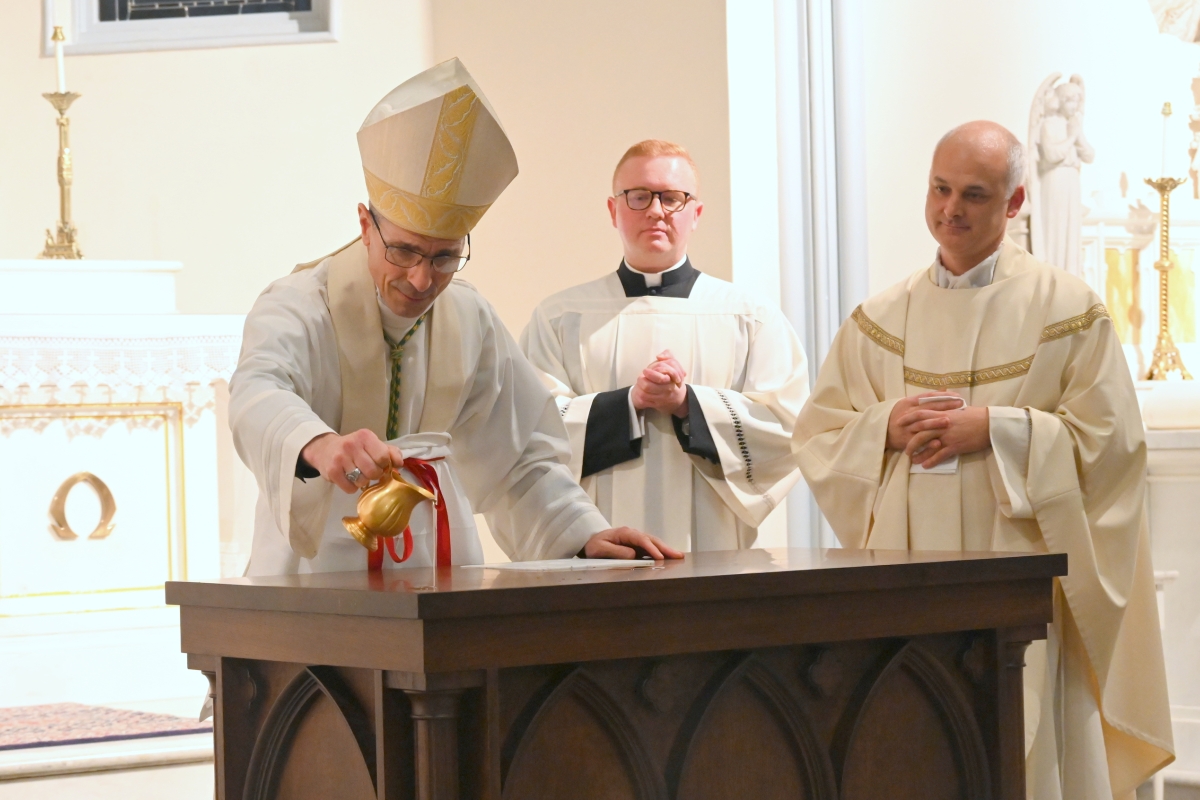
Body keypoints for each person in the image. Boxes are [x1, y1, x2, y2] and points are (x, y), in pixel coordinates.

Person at [793, 121, 1172, 799]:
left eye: (974, 194)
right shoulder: (879, 318)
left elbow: (1113, 446)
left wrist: (998, 429)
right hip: (908, 581)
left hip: (1021, 584)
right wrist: (884, 427)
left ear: (1015, 202)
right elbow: (819, 435)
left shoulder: (1067, 309)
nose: (951, 210)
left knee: (1024, 748)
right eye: (940, 190)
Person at [230, 59, 680, 574]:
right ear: (366, 225)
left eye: (444, 257)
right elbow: (257, 391)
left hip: (434, 560)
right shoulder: (301, 304)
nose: (422, 280)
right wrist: (319, 443)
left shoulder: (468, 316)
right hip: (315, 566)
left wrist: (583, 534)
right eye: (403, 251)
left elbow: (518, 457)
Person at [521, 140, 809, 552]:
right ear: (613, 210)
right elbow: (530, 434)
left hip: (713, 553)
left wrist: (689, 404)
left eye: (672, 198)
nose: (656, 211)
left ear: (696, 213)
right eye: (639, 196)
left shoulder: (750, 316)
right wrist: (627, 404)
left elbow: (789, 429)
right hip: (599, 553)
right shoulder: (560, 317)